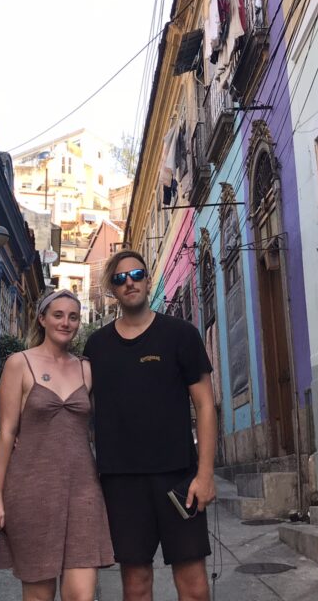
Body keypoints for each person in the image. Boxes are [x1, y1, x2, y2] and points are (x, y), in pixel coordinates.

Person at [84, 250, 217, 601]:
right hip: (122, 482)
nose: (129, 282)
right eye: (119, 278)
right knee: (136, 584)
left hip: (178, 477)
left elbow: (204, 404)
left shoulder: (180, 334)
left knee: (194, 586)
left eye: (137, 274)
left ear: (148, 280)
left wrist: (204, 475)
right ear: (112, 289)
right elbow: (78, 407)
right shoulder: (96, 346)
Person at [0, 289, 114, 601]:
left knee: (82, 596)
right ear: (42, 319)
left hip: (82, 490)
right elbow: (6, 433)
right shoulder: (19, 364)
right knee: (38, 596)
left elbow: (105, 424)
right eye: (58, 315)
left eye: (73, 317)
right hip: (31, 491)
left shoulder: (87, 368)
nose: (66, 322)